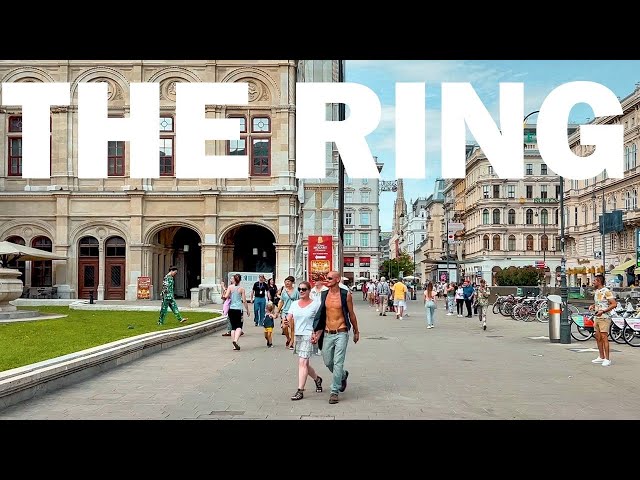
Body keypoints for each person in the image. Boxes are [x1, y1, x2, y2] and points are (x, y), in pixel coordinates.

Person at [311, 270, 360, 405]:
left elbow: (351, 314)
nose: (327, 280)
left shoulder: (346, 295)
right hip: (327, 333)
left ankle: (334, 391)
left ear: (337, 279)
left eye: (330, 278)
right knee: (328, 362)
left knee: (338, 362)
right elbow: (320, 315)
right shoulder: (324, 294)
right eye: (326, 278)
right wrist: (316, 332)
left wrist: (356, 331)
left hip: (342, 332)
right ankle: (343, 376)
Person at [286, 281, 323, 401]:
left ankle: (300, 390)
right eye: (299, 289)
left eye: (304, 289)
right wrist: (285, 321)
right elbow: (288, 317)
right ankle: (317, 379)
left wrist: (317, 335)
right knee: (305, 364)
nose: (301, 291)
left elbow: (321, 321)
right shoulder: (294, 304)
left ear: (309, 291)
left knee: (302, 362)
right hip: (298, 335)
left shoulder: (315, 304)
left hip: (309, 335)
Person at [588, 274, 617, 366]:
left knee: (604, 337)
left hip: (604, 317)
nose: (593, 282)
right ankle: (601, 357)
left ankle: (607, 359)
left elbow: (614, 304)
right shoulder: (597, 291)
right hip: (597, 317)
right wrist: (593, 306)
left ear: (599, 281)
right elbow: (600, 302)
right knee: (598, 337)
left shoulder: (606, 291)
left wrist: (603, 311)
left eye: (594, 281)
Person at [225, 273, 250, 351]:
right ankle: (235, 341)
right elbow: (244, 301)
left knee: (233, 327)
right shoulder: (241, 289)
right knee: (239, 326)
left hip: (231, 309)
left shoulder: (230, 287)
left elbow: (226, 296)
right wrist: (247, 310)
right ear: (240, 280)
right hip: (239, 309)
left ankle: (234, 344)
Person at [278, 276, 299, 350]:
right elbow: (282, 301)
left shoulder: (296, 291)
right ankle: (288, 338)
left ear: (292, 283)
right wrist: (277, 311)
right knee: (284, 327)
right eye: (286, 281)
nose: (287, 283)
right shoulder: (284, 291)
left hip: (293, 312)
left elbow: (299, 301)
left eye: (289, 281)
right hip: (285, 311)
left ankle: (292, 343)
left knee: (292, 328)